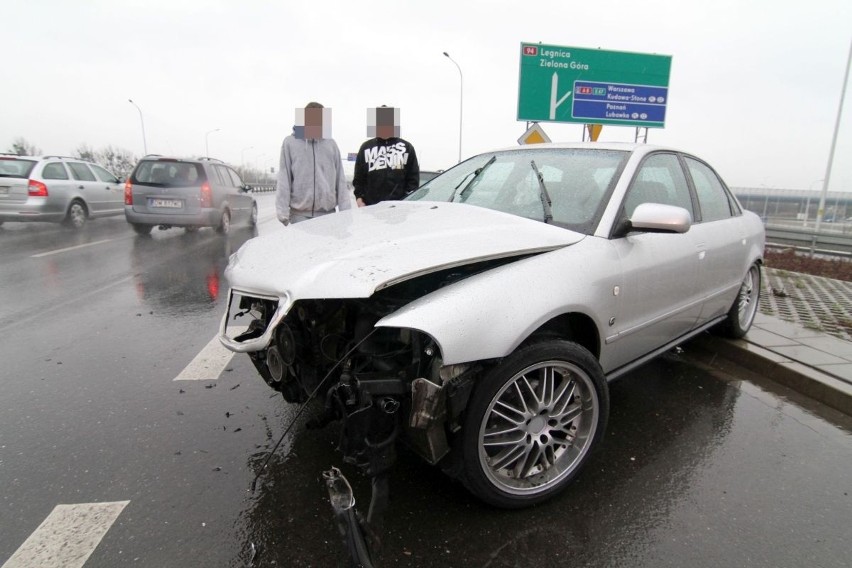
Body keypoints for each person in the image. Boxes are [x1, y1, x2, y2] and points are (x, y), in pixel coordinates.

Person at [276, 101, 351, 225]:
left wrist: (346, 212)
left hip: (328, 215)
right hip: (299, 216)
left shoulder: (331, 144)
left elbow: (340, 179)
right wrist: (282, 212)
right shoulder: (290, 143)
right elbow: (284, 178)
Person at [353, 106, 419, 207]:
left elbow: (413, 179)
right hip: (370, 209)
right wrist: (359, 198)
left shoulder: (407, 148)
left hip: (399, 210)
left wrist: (407, 200)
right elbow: (359, 179)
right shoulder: (365, 147)